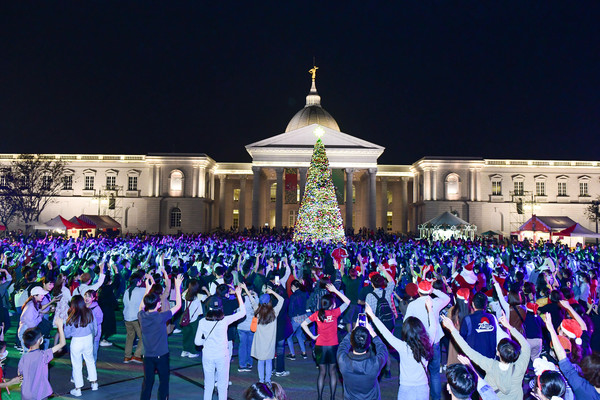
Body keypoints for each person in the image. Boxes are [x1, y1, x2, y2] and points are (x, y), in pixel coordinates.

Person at [441, 313, 531, 400]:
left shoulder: (491, 365)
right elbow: (526, 345)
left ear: (498, 353)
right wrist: (509, 327)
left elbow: (468, 350)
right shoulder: (521, 365)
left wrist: (452, 329)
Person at [366, 298, 436, 400]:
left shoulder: (403, 347)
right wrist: (430, 309)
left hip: (406, 388)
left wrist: (372, 317)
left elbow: (386, 334)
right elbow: (433, 326)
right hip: (423, 387)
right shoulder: (427, 342)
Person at [301, 284, 351, 400]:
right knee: (332, 372)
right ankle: (332, 397)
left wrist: (312, 336)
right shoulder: (335, 313)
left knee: (322, 373)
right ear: (332, 304)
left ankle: (319, 397)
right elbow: (347, 302)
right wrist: (336, 291)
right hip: (333, 345)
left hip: (320, 346)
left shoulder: (317, 314)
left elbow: (303, 324)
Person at [138, 273, 184, 400]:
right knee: (163, 382)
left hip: (147, 355)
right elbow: (178, 305)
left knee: (148, 382)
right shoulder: (161, 317)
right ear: (158, 305)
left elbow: (141, 306)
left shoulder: (142, 316)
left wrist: (147, 289)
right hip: (162, 355)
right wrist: (178, 286)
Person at [195, 286, 245, 400]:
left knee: (208, 385)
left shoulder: (202, 322)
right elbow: (242, 313)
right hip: (222, 355)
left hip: (208, 355)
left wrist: (206, 341)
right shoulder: (225, 320)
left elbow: (197, 342)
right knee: (223, 385)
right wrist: (238, 295)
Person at [403, 279, 450, 400]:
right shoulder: (435, 302)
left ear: (418, 291)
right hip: (434, 342)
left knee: (421, 372)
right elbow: (447, 298)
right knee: (434, 373)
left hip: (419, 342)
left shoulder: (412, 305)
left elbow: (406, 323)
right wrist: (434, 290)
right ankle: (436, 398)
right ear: (429, 291)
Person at [544, 312, 600, 399]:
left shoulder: (584, 390)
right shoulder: (583, 343)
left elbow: (563, 360)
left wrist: (551, 329)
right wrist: (568, 307)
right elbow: (584, 326)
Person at [337, 322, 388, 400]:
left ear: (351, 342)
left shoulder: (343, 361)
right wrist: (373, 333)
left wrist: (353, 331)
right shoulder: (374, 364)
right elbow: (383, 349)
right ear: (368, 344)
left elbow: (343, 345)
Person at [18, 319, 66, 400]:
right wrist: (60, 327)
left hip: (26, 394)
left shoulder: (23, 358)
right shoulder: (43, 355)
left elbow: (20, 374)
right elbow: (62, 344)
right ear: (40, 341)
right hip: (40, 393)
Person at [64, 294, 99, 397]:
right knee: (90, 361)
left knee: (77, 365)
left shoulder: (71, 315)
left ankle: (78, 389)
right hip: (88, 339)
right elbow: (95, 328)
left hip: (76, 341)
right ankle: (94, 383)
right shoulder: (89, 312)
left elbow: (67, 334)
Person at [252, 287, 284, 385]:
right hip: (270, 342)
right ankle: (268, 380)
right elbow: (281, 299)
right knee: (269, 361)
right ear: (270, 302)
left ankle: (261, 380)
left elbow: (252, 301)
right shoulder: (274, 312)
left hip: (260, 342)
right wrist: (272, 292)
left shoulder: (257, 312)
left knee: (260, 362)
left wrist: (249, 293)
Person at [123, 273, 146, 363]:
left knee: (130, 336)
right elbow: (150, 289)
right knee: (143, 336)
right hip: (136, 317)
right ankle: (137, 355)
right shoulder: (140, 290)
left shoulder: (127, 291)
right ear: (138, 282)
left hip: (127, 317)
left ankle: (127, 356)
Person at [238, 282, 258, 372]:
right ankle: (249, 363)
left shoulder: (240, 299)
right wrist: (256, 296)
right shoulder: (254, 299)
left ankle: (242, 364)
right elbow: (257, 307)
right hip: (251, 326)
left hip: (241, 326)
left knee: (242, 346)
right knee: (250, 345)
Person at [180, 278, 203, 358]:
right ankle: (192, 352)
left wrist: (188, 289)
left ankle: (185, 350)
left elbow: (182, 294)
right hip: (194, 320)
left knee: (186, 335)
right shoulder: (197, 299)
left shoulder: (185, 297)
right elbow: (200, 312)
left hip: (185, 319)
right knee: (193, 336)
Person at [84, 289, 103, 361]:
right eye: (85, 296)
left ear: (94, 298)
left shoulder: (97, 308)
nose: (86, 298)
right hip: (84, 334)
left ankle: (92, 369)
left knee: (93, 354)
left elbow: (99, 321)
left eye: (89, 296)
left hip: (94, 335)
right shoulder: (82, 307)